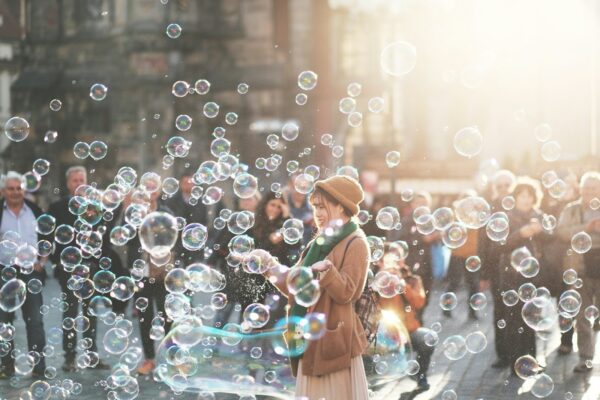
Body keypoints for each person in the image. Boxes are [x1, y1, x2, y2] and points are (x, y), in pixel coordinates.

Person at [265, 175, 370, 399]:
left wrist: (327, 271)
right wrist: (268, 266)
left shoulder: (356, 242)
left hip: (335, 346)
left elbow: (347, 292)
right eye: (315, 207)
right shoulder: (319, 243)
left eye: (322, 207)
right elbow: (296, 283)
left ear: (341, 207)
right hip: (309, 339)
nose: (317, 213)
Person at [47, 166, 110, 372]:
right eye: (74, 180)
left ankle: (91, 356)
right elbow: (50, 238)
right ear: (68, 184)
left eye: (81, 179)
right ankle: (70, 357)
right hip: (68, 270)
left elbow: (103, 236)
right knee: (71, 314)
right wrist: (60, 263)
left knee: (91, 313)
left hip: (91, 268)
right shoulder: (57, 207)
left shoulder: (94, 207)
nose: (78, 183)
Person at [492, 177, 550, 371]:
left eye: (529, 195)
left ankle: (531, 361)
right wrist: (520, 234)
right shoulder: (506, 217)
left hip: (534, 276)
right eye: (522, 195)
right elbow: (498, 245)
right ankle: (516, 362)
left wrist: (541, 231)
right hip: (511, 276)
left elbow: (553, 238)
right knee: (514, 319)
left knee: (533, 318)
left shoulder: (539, 216)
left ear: (535, 198)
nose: (526, 199)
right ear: (515, 197)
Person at [0, 172, 48, 379]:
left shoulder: (35, 211)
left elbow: (48, 238)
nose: (15, 192)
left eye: (18, 188)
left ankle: (39, 367)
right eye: (11, 188)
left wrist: (41, 261)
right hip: (3, 271)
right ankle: (5, 366)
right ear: (3, 191)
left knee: (35, 320)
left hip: (30, 272)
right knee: (3, 322)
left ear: (24, 190)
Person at [555, 172, 600, 372]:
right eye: (587, 187)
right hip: (580, 267)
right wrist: (587, 227)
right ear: (580, 189)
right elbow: (561, 232)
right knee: (583, 316)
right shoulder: (571, 209)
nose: (590, 191)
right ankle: (586, 358)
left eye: (594, 187)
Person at [127, 188, 174, 375]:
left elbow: (172, 240)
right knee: (145, 317)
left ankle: (171, 357)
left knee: (167, 315)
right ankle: (149, 359)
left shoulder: (167, 214)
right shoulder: (133, 212)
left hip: (162, 272)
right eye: (147, 186)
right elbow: (127, 239)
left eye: (154, 186)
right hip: (142, 272)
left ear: (160, 189)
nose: (151, 190)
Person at [375, 250, 434, 392]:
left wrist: (401, 284)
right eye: (389, 261)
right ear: (380, 263)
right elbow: (372, 310)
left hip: (409, 332)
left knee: (428, 337)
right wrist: (381, 284)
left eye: (396, 260)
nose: (393, 265)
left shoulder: (413, 280)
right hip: (383, 335)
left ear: (402, 262)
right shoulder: (373, 282)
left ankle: (420, 375)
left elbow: (420, 302)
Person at [480, 169, 516, 363]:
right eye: (499, 186)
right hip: (496, 269)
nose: (503, 189)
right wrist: (484, 273)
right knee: (500, 311)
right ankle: (502, 354)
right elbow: (483, 244)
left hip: (518, 266)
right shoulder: (491, 209)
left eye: (506, 185)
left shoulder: (520, 206)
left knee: (519, 310)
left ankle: (518, 351)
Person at [444, 190, 481, 320]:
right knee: (454, 282)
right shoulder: (456, 216)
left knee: (473, 284)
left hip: (472, 255)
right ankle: (446, 308)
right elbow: (449, 233)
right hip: (457, 254)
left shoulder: (478, 216)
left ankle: (472, 312)